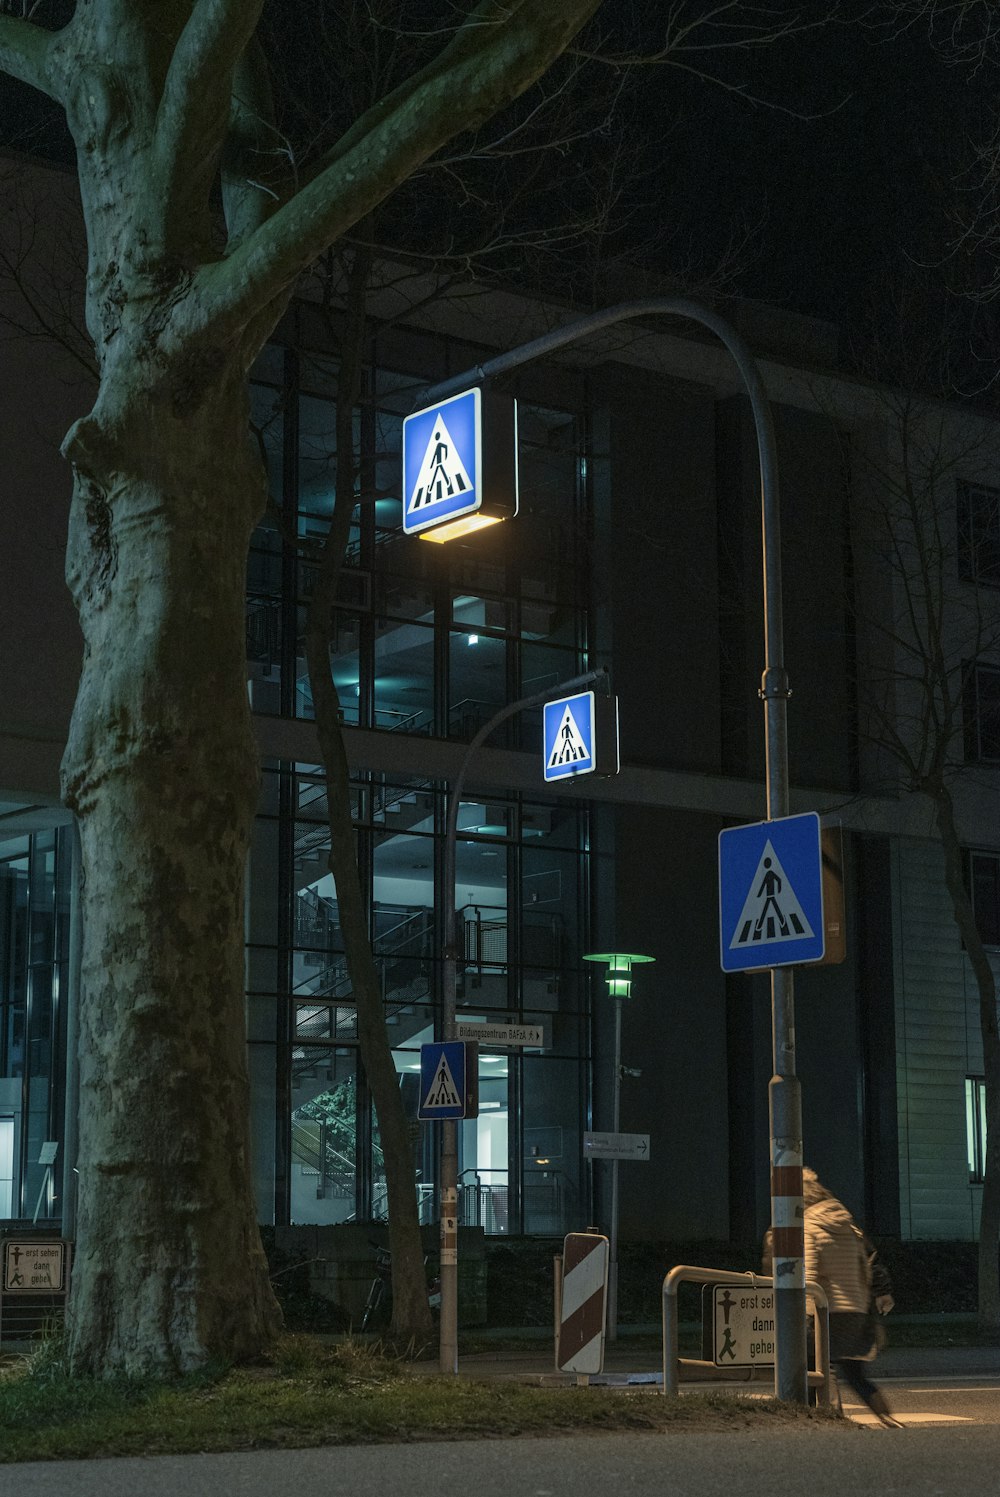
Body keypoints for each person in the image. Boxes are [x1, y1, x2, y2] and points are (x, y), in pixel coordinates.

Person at [801, 1166, 901, 1428]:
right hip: (855, 1310)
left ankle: (827, 1420)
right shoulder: (848, 1226)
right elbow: (867, 1262)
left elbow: (808, 1273)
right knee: (855, 1374)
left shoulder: (809, 1225)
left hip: (826, 1310)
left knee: (815, 1368)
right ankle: (889, 1419)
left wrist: (803, 1310)